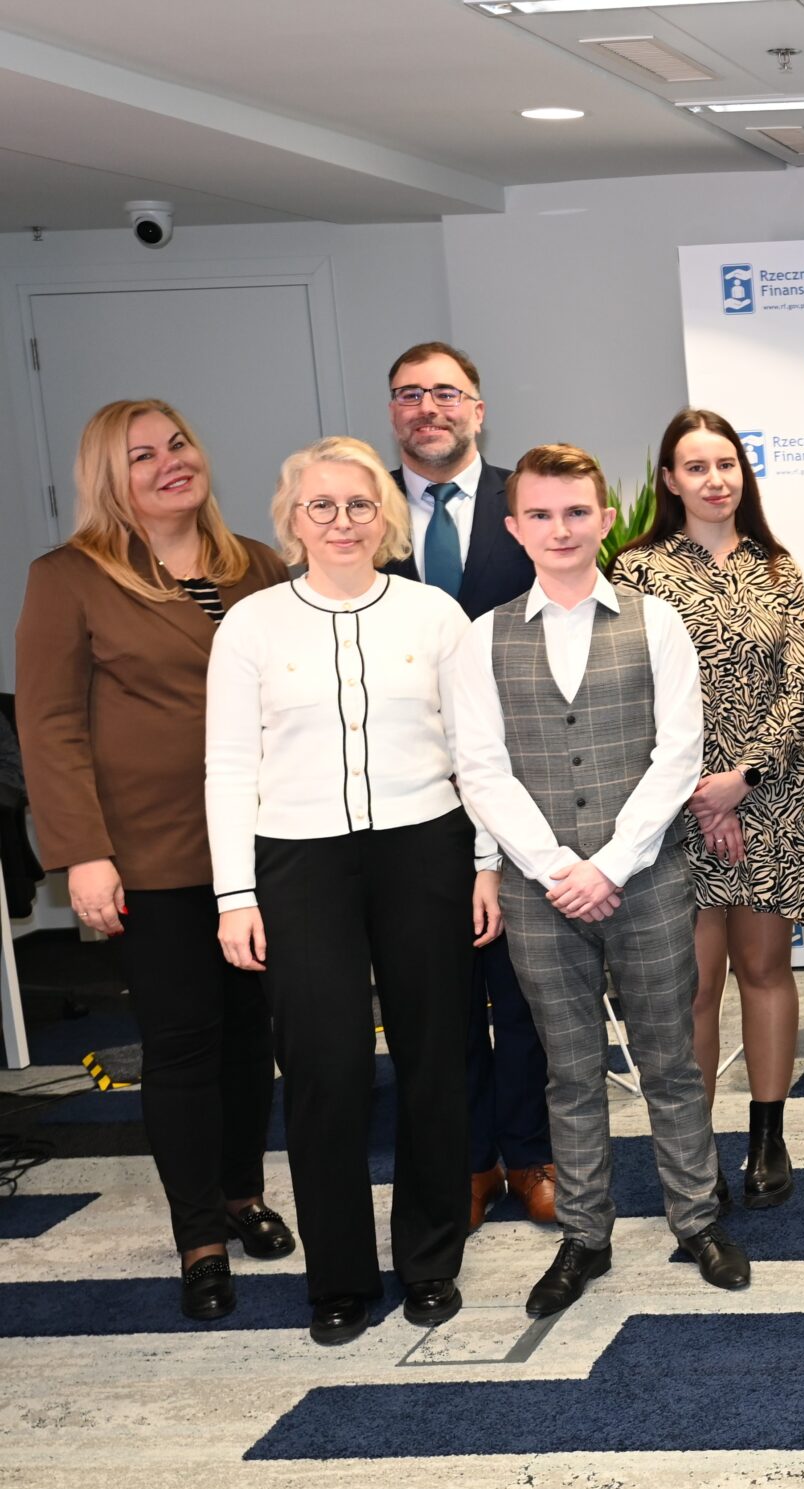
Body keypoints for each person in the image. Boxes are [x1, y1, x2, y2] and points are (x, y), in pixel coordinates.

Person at [204, 436, 500, 1345]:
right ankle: (337, 1279)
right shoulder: (250, 624)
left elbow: (477, 750)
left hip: (426, 849)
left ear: (387, 516)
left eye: (360, 504)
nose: (342, 521)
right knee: (325, 1069)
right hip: (298, 863)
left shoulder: (435, 615)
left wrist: (486, 859)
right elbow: (228, 765)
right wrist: (234, 894)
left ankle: (430, 1260)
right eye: (321, 505)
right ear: (292, 519)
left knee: (435, 1057)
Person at [448, 444, 751, 1318]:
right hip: (540, 891)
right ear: (514, 527)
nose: (561, 529)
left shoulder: (658, 624)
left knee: (670, 1059)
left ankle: (697, 1219)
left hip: (646, 880)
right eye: (541, 515)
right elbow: (482, 769)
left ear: (605, 518)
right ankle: (586, 1233)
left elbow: (678, 754)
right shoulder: (481, 638)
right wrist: (557, 869)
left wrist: (610, 864)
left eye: (577, 512)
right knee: (569, 1069)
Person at [16, 399, 292, 1323]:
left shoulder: (256, 565)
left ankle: (243, 1193)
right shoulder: (69, 577)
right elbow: (49, 725)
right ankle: (199, 1236)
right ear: (110, 478)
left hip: (264, 843)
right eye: (143, 456)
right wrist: (83, 853)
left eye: (178, 443)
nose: (172, 462)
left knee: (253, 1033)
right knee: (182, 1041)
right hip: (151, 851)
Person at [609, 409, 804, 1213]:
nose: (715, 480)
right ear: (670, 479)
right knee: (693, 987)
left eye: (727, 463)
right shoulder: (636, 571)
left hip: (769, 797)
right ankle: (693, 1150)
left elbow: (797, 689)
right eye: (697, 466)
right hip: (675, 807)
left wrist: (742, 779)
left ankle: (768, 1136)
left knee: (766, 970)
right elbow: (635, 695)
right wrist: (703, 792)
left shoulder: (778, 566)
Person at [380, 341, 553, 1231]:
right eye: (409, 394)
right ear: (393, 412)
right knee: (438, 997)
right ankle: (470, 1160)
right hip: (407, 796)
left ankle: (531, 1154)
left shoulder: (530, 501)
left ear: (478, 409)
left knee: (524, 990)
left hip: (524, 787)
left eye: (446, 392)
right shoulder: (360, 510)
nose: (428, 408)